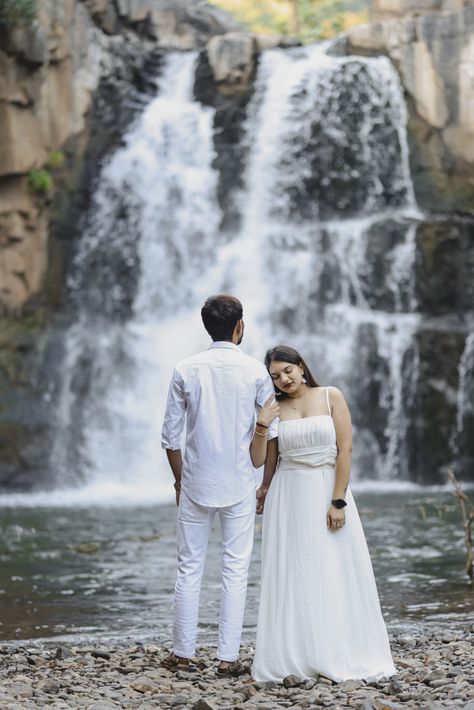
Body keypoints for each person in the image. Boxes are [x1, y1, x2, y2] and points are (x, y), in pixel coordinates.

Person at [252, 345, 396, 683]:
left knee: (334, 567)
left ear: (301, 367)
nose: (283, 379)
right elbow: (261, 461)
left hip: (327, 489)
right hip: (288, 495)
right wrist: (261, 425)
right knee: (294, 572)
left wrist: (338, 501)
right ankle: (295, 653)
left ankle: (338, 648)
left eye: (287, 370)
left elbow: (345, 449)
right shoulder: (274, 409)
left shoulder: (331, 396)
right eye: (275, 376)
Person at [161, 294, 279, 676]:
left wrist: (180, 480)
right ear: (239, 327)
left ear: (206, 326)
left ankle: (182, 654)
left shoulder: (185, 368)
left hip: (195, 482)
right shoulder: (256, 373)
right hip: (241, 482)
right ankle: (227, 658)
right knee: (235, 568)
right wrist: (264, 484)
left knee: (189, 567)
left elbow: (170, 438)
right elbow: (269, 434)